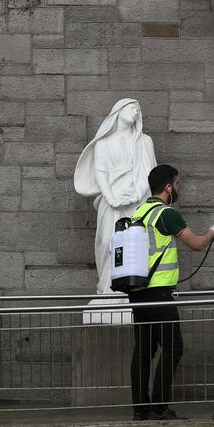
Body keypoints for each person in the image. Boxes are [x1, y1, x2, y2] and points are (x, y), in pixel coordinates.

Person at [129, 164, 214, 420]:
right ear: (168, 187)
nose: (179, 189)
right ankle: (160, 407)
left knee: (143, 351)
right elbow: (196, 243)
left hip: (138, 292)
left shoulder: (139, 212)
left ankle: (141, 409)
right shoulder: (166, 213)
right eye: (178, 184)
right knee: (173, 347)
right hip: (159, 293)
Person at [74, 98, 156, 295]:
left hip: (137, 201)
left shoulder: (144, 142)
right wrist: (112, 199)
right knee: (106, 242)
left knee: (136, 243)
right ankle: (107, 290)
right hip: (111, 202)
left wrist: (136, 194)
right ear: (117, 111)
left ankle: (133, 291)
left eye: (138, 110)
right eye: (131, 108)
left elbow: (149, 173)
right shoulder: (103, 143)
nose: (135, 113)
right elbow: (100, 173)